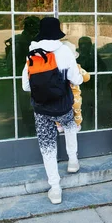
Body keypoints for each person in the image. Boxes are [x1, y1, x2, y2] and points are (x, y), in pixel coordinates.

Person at [22, 17, 83, 205]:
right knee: (70, 124)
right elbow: (77, 80)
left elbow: (26, 86)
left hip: (41, 109)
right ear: (57, 33)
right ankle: (73, 161)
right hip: (63, 104)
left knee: (47, 145)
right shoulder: (65, 51)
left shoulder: (32, 54)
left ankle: (55, 189)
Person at [56, 40, 90, 133]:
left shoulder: (56, 67)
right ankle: (77, 124)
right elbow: (87, 77)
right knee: (77, 110)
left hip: (59, 96)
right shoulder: (77, 67)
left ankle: (59, 125)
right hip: (74, 96)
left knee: (58, 110)